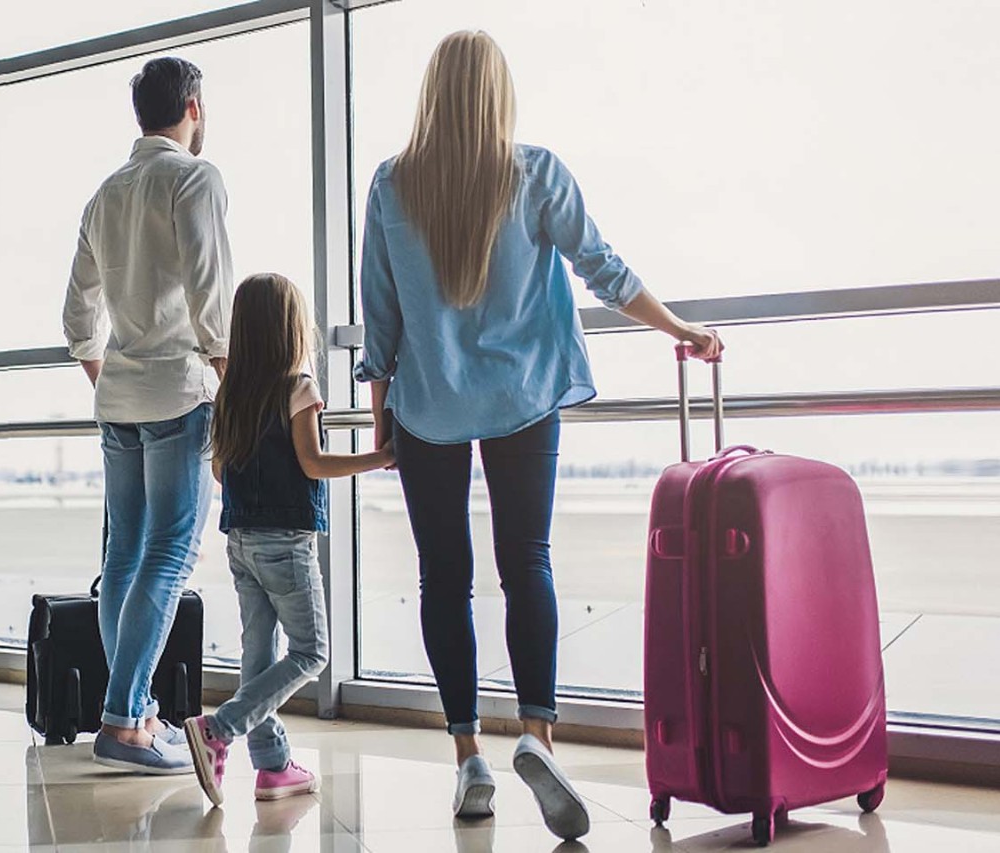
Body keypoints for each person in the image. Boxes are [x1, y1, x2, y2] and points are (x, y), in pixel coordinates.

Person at [353, 31, 724, 840]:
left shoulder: (391, 183)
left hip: (429, 408)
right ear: (496, 94)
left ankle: (466, 758)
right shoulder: (536, 172)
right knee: (528, 562)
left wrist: (382, 414)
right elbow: (605, 269)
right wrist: (682, 328)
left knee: (443, 576)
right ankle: (541, 737)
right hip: (523, 398)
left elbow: (378, 318)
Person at [62, 56, 233, 775]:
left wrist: (111, 377)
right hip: (180, 395)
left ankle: (130, 709)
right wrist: (237, 399)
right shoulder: (195, 178)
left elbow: (78, 314)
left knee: (124, 558)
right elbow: (213, 299)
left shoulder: (105, 193)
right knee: (167, 554)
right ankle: (124, 719)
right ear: (193, 105)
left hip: (121, 402)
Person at [183, 273, 394, 806]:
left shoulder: (232, 391)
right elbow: (313, 463)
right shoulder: (299, 386)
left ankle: (273, 766)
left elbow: (218, 472)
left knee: (258, 654)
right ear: (290, 328)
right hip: (286, 542)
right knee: (312, 651)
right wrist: (384, 457)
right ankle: (218, 730)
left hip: (240, 539)